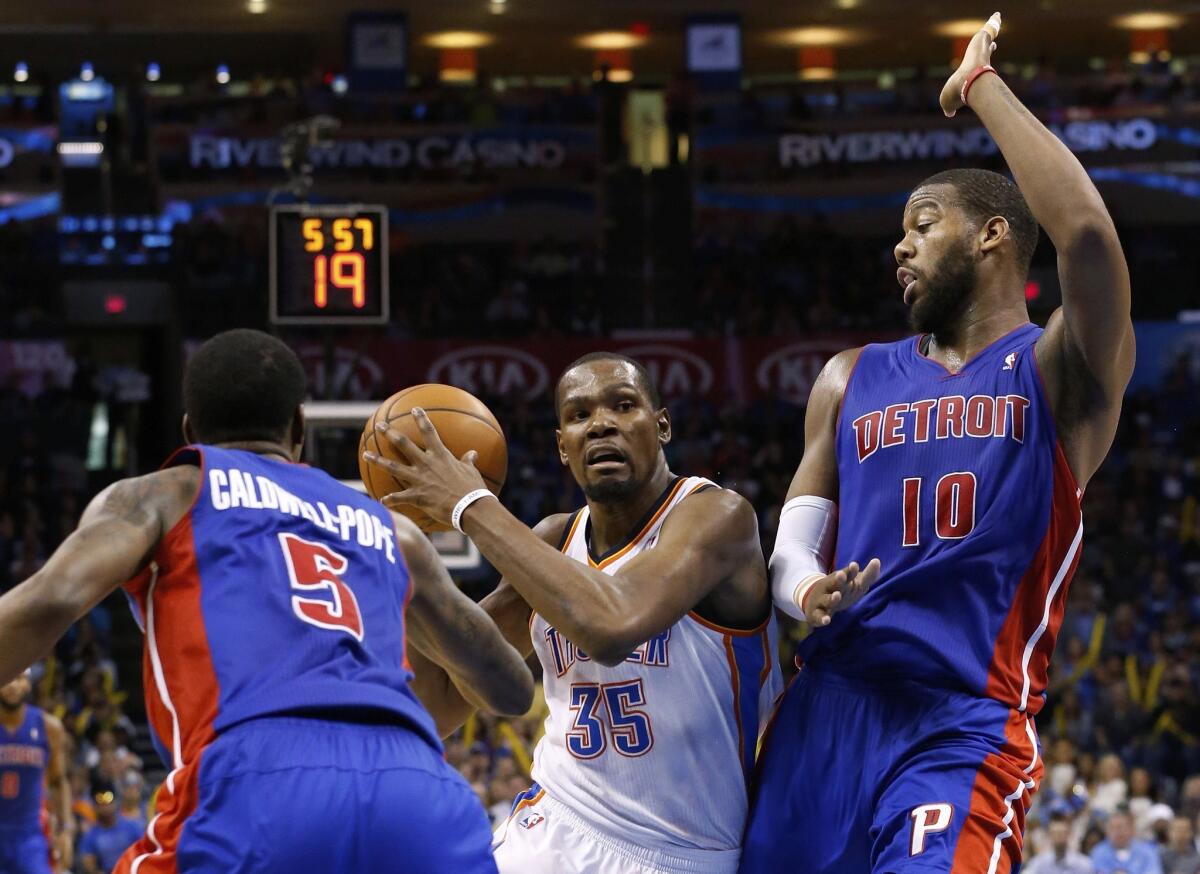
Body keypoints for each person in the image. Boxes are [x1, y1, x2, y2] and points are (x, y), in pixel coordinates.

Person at [742, 12, 1135, 873]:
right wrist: (807, 594)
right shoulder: (849, 376)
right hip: (827, 710)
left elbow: (1092, 239)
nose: (900, 245)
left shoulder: (1059, 371)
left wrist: (980, 90)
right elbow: (792, 547)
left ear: (993, 235)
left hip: (961, 720)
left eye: (923, 224)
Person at [0, 329, 534, 874]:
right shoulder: (392, 532)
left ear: (190, 432)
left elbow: (52, 600)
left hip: (254, 778)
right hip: (418, 789)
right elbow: (511, 689)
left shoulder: (165, 493)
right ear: (300, 428)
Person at [363, 351, 782, 874]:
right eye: (579, 415)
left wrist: (470, 505)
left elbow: (612, 627)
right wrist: (408, 563)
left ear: (662, 425)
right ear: (563, 447)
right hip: (556, 821)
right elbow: (442, 699)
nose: (601, 423)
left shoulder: (716, 515)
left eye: (623, 405)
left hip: (682, 853)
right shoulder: (553, 540)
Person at [0, 671, 74, 874]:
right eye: (8, 677)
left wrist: (66, 829)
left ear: (29, 684)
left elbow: (58, 781)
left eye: (19, 678)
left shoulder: (48, 726)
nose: (13, 685)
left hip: (29, 836)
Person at [77, 782, 143, 874]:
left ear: (115, 803)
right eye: (101, 804)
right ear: (95, 807)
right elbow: (89, 865)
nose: (105, 808)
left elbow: (144, 851)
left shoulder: (132, 827)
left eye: (108, 803)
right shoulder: (90, 835)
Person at [1090, 809, 1163, 874]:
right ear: (1106, 831)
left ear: (1132, 829)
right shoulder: (1098, 851)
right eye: (1112, 828)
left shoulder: (1147, 851)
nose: (1117, 832)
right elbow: (1097, 870)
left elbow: (1154, 871)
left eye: (1121, 827)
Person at [1025, 813, 1094, 874]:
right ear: (1049, 836)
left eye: (1062, 833)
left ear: (1069, 835)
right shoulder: (1038, 863)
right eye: (1055, 833)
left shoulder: (1084, 864)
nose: (1059, 836)